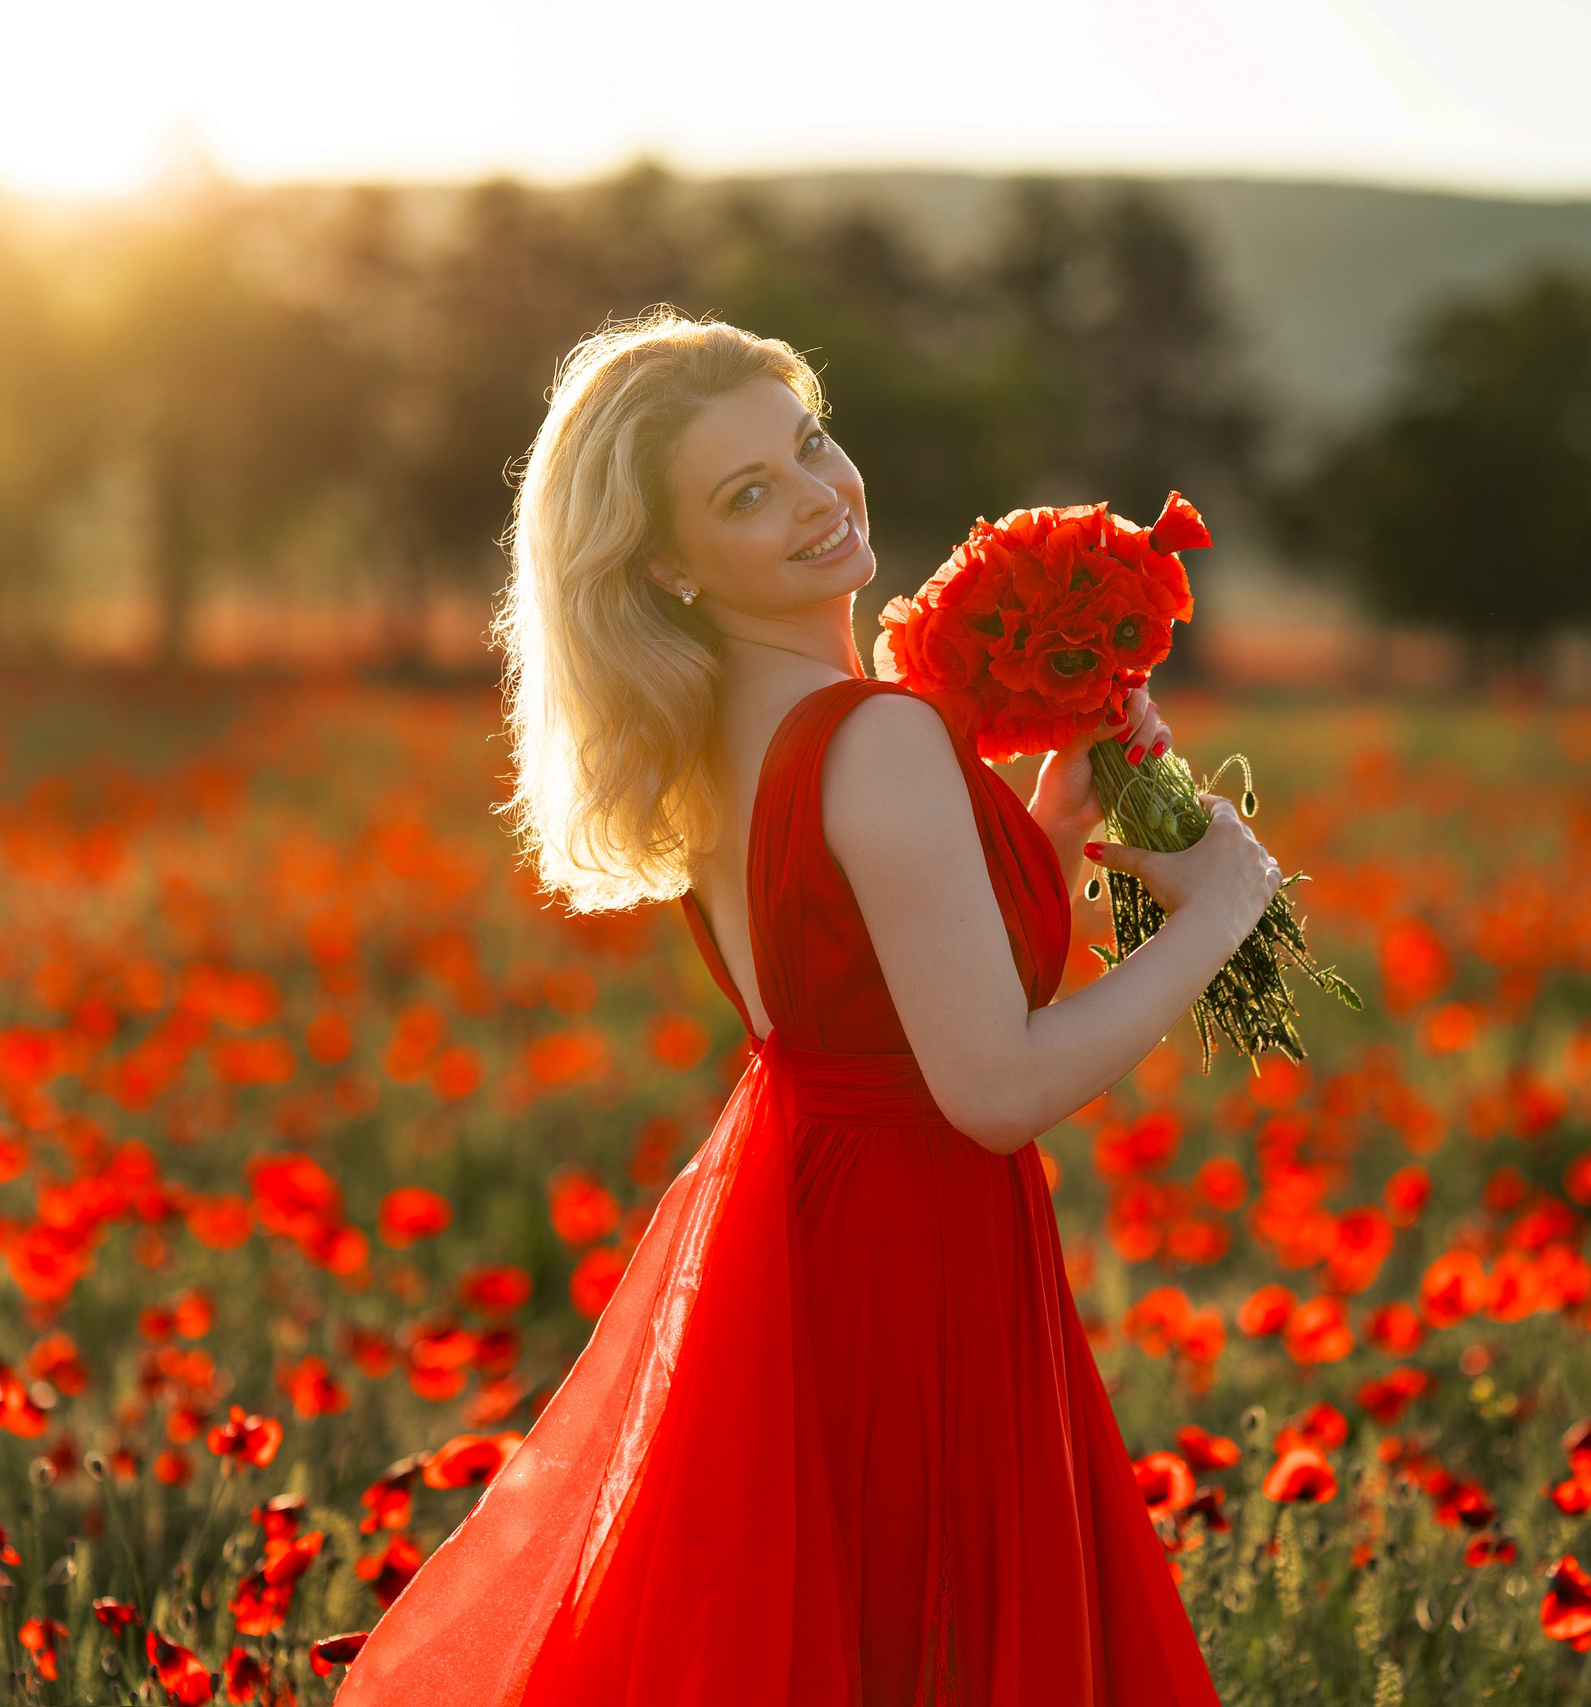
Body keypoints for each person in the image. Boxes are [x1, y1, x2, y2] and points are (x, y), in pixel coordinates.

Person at [335, 308, 1281, 1707]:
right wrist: (1217, 912)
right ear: (665, 560)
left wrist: (1046, 831)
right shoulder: (876, 736)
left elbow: (869, 996)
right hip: (914, 1254)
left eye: (809, 445)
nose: (820, 498)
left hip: (808, 1219)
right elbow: (992, 1087)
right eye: (746, 495)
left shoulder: (715, 738)